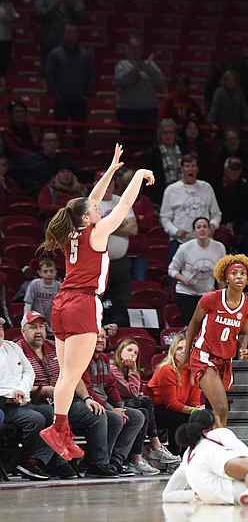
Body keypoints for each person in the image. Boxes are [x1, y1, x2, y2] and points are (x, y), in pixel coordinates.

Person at [36, 144, 153, 464]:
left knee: (65, 375)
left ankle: (61, 430)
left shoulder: (73, 229)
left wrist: (113, 169)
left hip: (61, 303)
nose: (101, 209)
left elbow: (92, 200)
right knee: (70, 377)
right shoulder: (96, 232)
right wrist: (139, 177)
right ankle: (58, 429)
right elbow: (124, 203)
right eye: (96, 209)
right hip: (82, 303)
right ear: (88, 216)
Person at [16, 311, 114, 478]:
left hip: (65, 401)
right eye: (32, 327)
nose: (38, 331)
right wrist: (42, 390)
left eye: (41, 326)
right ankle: (56, 462)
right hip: (36, 402)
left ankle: (97, 464)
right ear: (22, 331)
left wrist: (87, 398)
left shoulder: (55, 346)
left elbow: (73, 376)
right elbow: (14, 383)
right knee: (52, 415)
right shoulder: (16, 350)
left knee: (97, 415)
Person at [163, 409, 248, 506]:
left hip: (210, 495)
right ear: (214, 424)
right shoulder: (219, 432)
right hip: (222, 479)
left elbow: (167, 496)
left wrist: (195, 494)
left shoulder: (188, 453)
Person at [183, 255, 248, 427]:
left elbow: (244, 334)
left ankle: (208, 444)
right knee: (222, 408)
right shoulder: (211, 298)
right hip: (204, 355)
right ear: (225, 278)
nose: (239, 277)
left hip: (225, 360)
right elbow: (194, 322)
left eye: (243, 274)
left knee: (215, 411)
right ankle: (220, 447)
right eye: (234, 273)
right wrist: (186, 353)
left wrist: (243, 349)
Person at [0, 318, 68, 481]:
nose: (0, 331)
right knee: (35, 419)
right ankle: (18, 461)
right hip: (4, 404)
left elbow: (29, 372)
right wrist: (12, 394)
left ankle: (34, 461)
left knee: (54, 415)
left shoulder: (12, 347)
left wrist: (21, 390)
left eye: (1, 328)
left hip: (24, 400)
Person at [83, 330, 150, 475]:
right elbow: (88, 390)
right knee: (116, 417)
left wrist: (119, 407)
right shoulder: (84, 358)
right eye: (97, 337)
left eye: (103, 337)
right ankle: (100, 462)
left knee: (138, 416)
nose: (100, 340)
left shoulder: (104, 358)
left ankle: (115, 461)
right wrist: (112, 409)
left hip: (106, 404)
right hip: (87, 403)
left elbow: (110, 387)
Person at [110, 338, 181, 471]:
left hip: (127, 403)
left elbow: (133, 393)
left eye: (136, 353)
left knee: (144, 412)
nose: (132, 354)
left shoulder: (126, 369)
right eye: (129, 350)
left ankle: (136, 459)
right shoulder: (112, 368)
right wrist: (133, 370)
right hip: (113, 404)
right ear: (120, 351)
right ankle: (155, 446)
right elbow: (132, 392)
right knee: (146, 401)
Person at [160, 153, 222, 263]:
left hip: (204, 242)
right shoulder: (171, 190)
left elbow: (216, 214)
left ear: (197, 169)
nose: (190, 169)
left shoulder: (206, 188)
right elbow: (165, 218)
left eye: (193, 166)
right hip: (179, 242)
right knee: (175, 276)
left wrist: (212, 225)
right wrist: (175, 231)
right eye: (187, 166)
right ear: (182, 169)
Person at [146, 336, 203, 456]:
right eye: (179, 348)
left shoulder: (193, 371)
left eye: (186, 348)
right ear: (173, 352)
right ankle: (175, 456)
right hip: (154, 411)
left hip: (176, 409)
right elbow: (171, 403)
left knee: (198, 418)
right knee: (180, 418)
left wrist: (198, 409)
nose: (183, 351)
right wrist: (193, 410)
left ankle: (192, 455)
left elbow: (193, 400)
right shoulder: (167, 370)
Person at [168, 217, 227, 325]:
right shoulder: (184, 248)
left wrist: (222, 296)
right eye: (198, 227)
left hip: (207, 294)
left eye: (205, 227)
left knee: (207, 326)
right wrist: (183, 279)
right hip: (186, 293)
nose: (202, 229)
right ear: (194, 232)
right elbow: (171, 269)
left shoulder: (219, 247)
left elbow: (221, 274)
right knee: (192, 325)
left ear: (210, 230)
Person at [97, 170, 137, 327]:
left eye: (110, 183)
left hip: (120, 262)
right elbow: (94, 230)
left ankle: (121, 330)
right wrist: (120, 223)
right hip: (98, 263)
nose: (107, 186)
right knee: (97, 298)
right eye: (103, 182)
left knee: (122, 298)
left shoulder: (121, 201)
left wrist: (107, 225)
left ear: (114, 184)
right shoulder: (91, 203)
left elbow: (133, 229)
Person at [44, 23, 95, 147]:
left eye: (73, 32)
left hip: (79, 100)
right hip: (61, 99)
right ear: (63, 34)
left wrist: (86, 94)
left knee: (80, 134)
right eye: (68, 32)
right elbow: (49, 75)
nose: (71, 35)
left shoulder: (85, 54)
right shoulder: (55, 54)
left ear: (77, 35)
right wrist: (56, 94)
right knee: (59, 132)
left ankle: (80, 157)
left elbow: (92, 75)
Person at [114, 35, 165, 145]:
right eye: (133, 47)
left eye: (139, 47)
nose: (136, 50)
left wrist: (148, 67)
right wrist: (135, 67)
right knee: (129, 143)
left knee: (147, 143)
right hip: (127, 109)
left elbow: (160, 82)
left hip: (148, 109)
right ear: (128, 49)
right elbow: (121, 81)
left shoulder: (150, 65)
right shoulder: (122, 65)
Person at [204, 40, 248, 121]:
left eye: (238, 49)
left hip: (247, 108)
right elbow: (209, 89)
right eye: (233, 49)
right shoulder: (220, 68)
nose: (235, 52)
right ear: (228, 51)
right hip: (223, 111)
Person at [213, 156, 248, 255]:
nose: (235, 172)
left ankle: (244, 257)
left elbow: (246, 212)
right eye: (232, 169)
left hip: (237, 223)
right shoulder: (215, 186)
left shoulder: (244, 188)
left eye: (237, 169)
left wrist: (233, 223)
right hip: (218, 222)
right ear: (225, 170)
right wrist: (222, 223)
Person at [34, 0, 84, 74]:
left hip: (69, 42)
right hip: (49, 39)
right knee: (47, 70)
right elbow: (38, 12)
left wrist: (70, 8)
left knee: (67, 70)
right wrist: (52, 8)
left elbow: (81, 13)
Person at [13, 130, 73, 198]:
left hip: (60, 195)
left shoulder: (64, 161)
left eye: (54, 141)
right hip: (36, 193)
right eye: (48, 141)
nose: (51, 144)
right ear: (42, 144)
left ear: (58, 143)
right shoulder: (30, 160)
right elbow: (16, 174)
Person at [23, 259, 61, 333]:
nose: (49, 274)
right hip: (37, 322)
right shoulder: (34, 284)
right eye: (45, 271)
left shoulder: (59, 286)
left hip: (53, 323)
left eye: (51, 271)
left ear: (56, 272)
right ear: (39, 273)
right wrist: (26, 320)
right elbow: (28, 303)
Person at [0, 0, 18, 94]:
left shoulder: (8, 5)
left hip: (5, 40)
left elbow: (12, 17)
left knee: (4, 66)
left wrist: (7, 4)